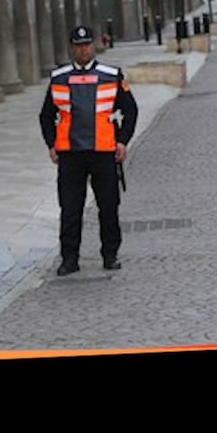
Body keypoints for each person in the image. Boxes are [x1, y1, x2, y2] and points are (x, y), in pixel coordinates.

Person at [39, 25, 139, 275]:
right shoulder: (58, 78)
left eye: (86, 45)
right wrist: (51, 144)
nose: (83, 50)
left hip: (103, 152)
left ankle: (110, 254)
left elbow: (131, 110)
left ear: (93, 46)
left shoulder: (111, 75)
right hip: (70, 154)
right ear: (72, 48)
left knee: (108, 206)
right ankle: (69, 259)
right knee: (70, 208)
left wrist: (123, 141)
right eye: (78, 45)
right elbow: (46, 115)